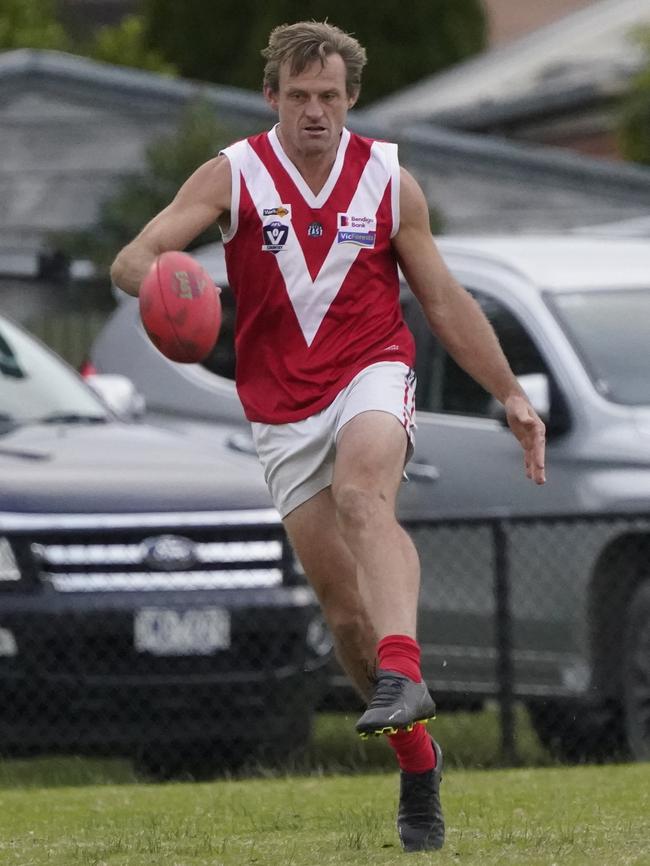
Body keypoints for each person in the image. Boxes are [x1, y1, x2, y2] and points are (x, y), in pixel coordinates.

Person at [111, 20, 546, 853]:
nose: (316, 111)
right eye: (300, 96)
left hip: (371, 371)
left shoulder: (388, 181)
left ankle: (405, 671)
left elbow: (447, 302)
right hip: (279, 407)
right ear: (272, 96)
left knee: (362, 495)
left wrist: (510, 395)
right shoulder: (234, 174)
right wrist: (162, 281)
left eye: (331, 97)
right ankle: (419, 762)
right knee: (346, 618)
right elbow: (137, 255)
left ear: (352, 100)